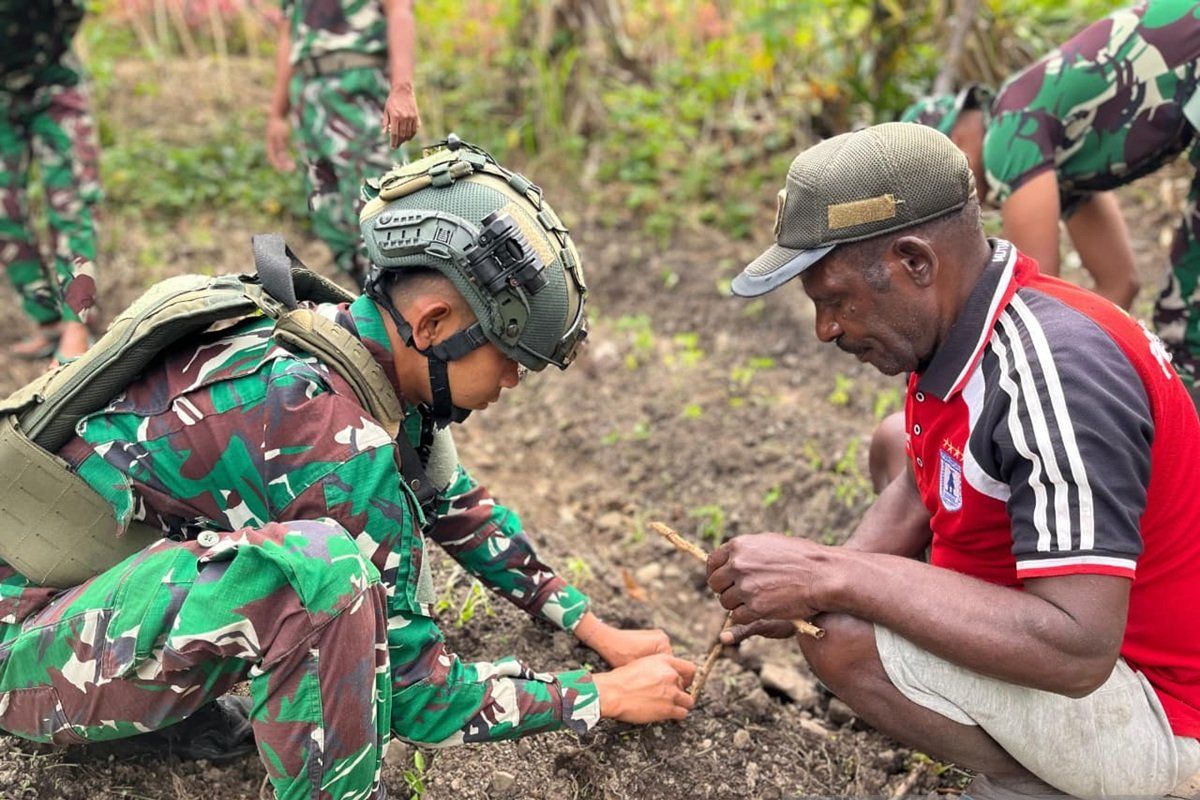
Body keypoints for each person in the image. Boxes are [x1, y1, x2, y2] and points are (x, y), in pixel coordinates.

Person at [0, 139, 695, 799]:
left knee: (351, 532)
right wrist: (600, 696)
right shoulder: (329, 433)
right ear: (433, 324)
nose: (513, 379)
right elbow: (419, 695)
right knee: (317, 575)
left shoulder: (338, 342)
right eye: (509, 357)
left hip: (80, 606)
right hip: (23, 650)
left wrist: (594, 630)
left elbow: (455, 504)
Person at [710, 122, 1200, 799]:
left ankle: (1032, 785)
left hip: (1162, 708)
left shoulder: (1056, 377)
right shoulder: (966, 321)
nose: (826, 329)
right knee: (894, 442)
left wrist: (829, 575)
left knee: (839, 634)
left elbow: (1079, 645)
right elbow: (918, 483)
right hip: (1092, 642)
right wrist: (805, 582)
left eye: (836, 300)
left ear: (915, 262)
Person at [900, 0, 1200, 358]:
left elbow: (1034, 303)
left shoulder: (1009, 135)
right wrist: (1082, 365)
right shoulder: (1055, 154)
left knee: (1187, 319)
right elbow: (1119, 282)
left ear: (957, 143)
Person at [266, 0, 421, 283]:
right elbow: (288, 34)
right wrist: (278, 114)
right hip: (308, 97)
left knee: (384, 213)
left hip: (358, 87)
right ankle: (373, 298)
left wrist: (402, 87)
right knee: (330, 218)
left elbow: (399, 9)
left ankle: (405, 297)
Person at [0, 0, 100, 362]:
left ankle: (76, 326)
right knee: (3, 212)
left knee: (71, 202)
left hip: (54, 84)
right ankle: (47, 321)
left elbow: (73, 11)